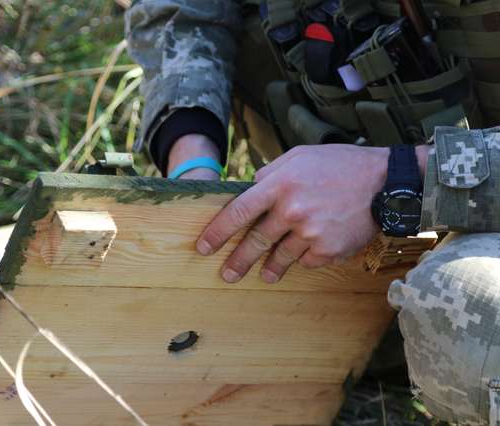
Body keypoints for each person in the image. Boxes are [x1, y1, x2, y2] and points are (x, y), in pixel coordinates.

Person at [125, 0, 500, 423]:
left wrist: (393, 176)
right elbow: (183, 11)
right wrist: (193, 162)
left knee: (468, 313)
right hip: (322, 259)